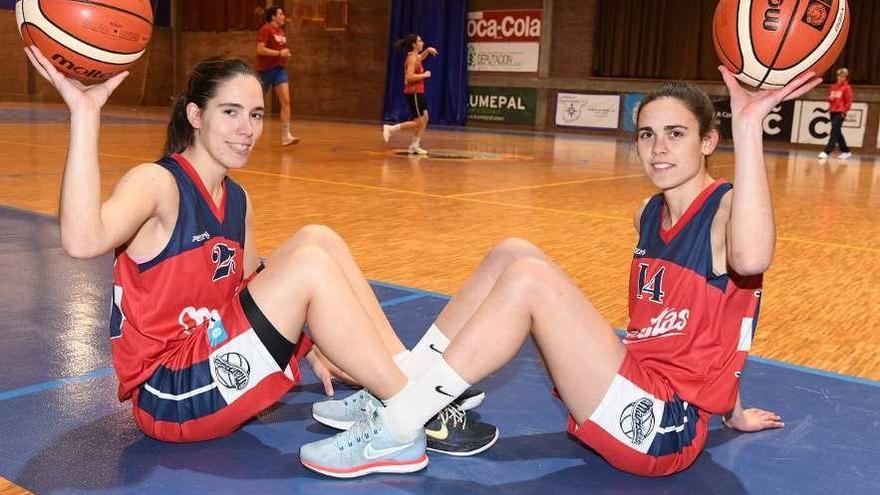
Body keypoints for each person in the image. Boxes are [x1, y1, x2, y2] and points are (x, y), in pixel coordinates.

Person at [301, 67, 821, 477]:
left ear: (709, 141)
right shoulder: (649, 213)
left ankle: (397, 426)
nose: (658, 148)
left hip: (664, 426)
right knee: (513, 251)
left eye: (676, 134)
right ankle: (397, 389)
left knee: (529, 280)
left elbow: (751, 262)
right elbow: (720, 331)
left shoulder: (725, 209)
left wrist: (749, 129)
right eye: (647, 135)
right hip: (637, 383)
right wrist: (732, 411)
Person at [23, 46, 497, 470]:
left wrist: (314, 353)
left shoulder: (238, 200)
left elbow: (250, 298)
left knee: (319, 238)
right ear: (195, 115)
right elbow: (83, 240)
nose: (247, 129)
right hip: (169, 393)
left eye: (255, 114)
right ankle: (410, 414)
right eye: (230, 112)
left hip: (213, 358)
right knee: (309, 263)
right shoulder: (158, 184)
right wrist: (85, 115)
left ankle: (402, 377)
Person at [382, 34, 437, 155]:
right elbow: (409, 77)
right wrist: (425, 75)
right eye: (420, 41)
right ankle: (390, 129)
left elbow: (420, 59)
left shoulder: (415, 56)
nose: (422, 42)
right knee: (419, 121)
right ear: (414, 44)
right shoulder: (412, 58)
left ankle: (414, 145)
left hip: (419, 92)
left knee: (425, 118)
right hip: (414, 92)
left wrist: (427, 50)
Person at [256, 5, 299, 146]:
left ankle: (286, 136)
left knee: (286, 102)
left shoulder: (281, 31)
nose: (283, 16)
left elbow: (278, 49)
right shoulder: (266, 29)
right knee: (255, 103)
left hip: (279, 70)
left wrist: (284, 54)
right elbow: (260, 50)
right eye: (281, 14)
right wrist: (280, 53)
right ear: (273, 16)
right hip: (265, 71)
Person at [818, 67, 852, 160]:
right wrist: (830, 99)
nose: (841, 78)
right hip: (832, 111)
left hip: (840, 112)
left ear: (845, 77)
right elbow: (830, 98)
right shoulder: (833, 87)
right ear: (837, 76)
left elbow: (848, 102)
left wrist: (844, 112)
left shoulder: (847, 88)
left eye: (843, 76)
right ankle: (846, 151)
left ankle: (826, 151)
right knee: (837, 132)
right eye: (840, 76)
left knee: (834, 132)